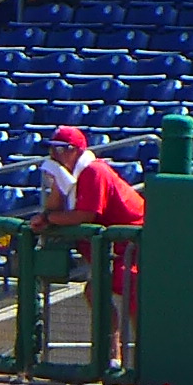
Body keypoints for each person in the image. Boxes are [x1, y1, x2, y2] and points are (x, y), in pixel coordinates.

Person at [30, 126, 145, 366]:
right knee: (96, 292)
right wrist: (56, 185)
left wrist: (49, 219)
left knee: (135, 301)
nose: (56, 155)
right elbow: (53, 208)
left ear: (77, 150)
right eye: (53, 149)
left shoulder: (94, 170)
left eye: (62, 149)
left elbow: (86, 215)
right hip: (113, 250)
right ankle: (113, 358)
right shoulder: (71, 175)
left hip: (135, 246)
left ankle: (146, 363)